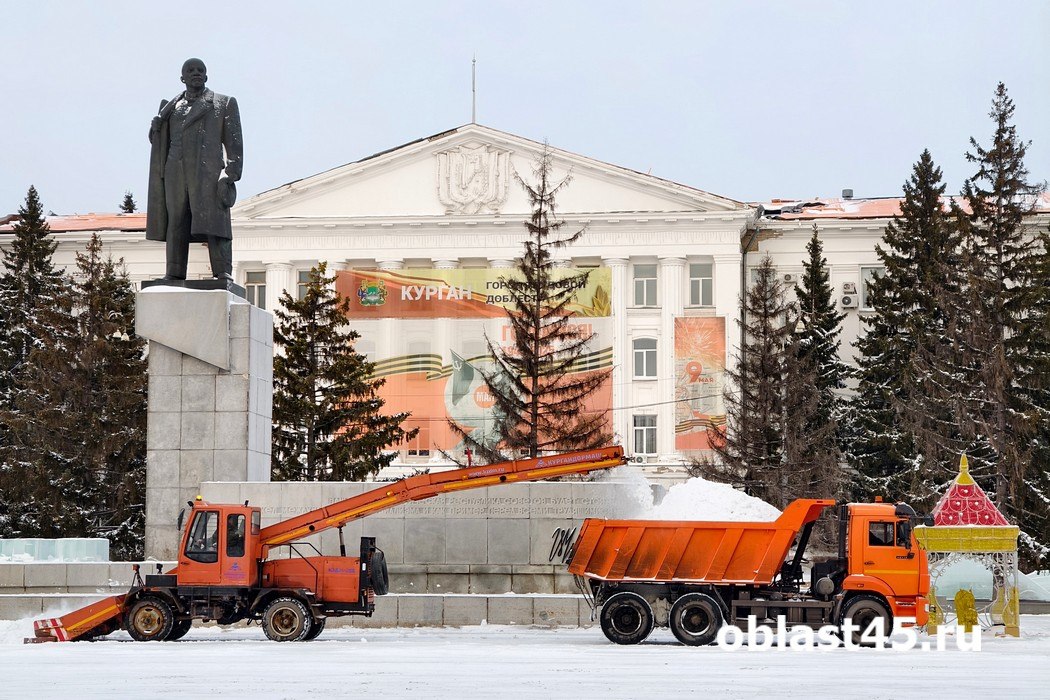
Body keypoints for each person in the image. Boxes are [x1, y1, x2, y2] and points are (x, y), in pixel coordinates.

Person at [146, 58, 243, 281]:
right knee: (176, 221)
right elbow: (161, 142)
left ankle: (222, 271)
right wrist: (154, 130)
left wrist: (230, 174)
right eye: (190, 70)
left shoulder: (222, 103)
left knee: (213, 222)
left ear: (206, 76)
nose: (196, 73)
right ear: (182, 78)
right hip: (175, 171)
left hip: (208, 172)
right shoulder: (170, 108)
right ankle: (174, 271)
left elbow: (234, 144)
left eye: (200, 70)